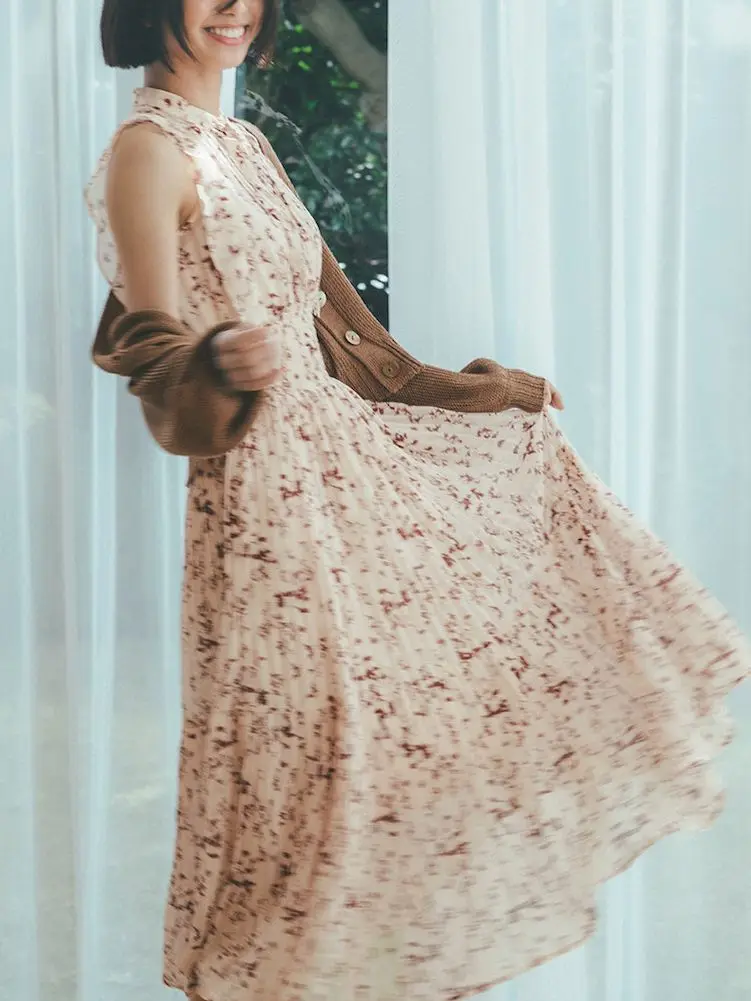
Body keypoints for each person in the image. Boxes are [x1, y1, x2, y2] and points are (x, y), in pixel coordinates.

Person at [87, 2, 750, 1000]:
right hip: (268, 508)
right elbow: (149, 354)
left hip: (348, 477)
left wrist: (481, 395)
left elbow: (354, 344)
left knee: (419, 760)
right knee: (316, 784)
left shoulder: (243, 147)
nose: (234, 6)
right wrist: (218, 360)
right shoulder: (147, 151)